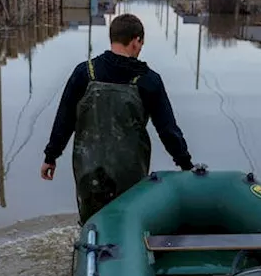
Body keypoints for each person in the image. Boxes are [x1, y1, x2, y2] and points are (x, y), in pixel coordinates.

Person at [40, 13, 194, 223]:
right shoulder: (149, 80)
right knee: (126, 223)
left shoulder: (84, 73)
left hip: (89, 171)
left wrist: (51, 156)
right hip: (130, 174)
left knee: (91, 224)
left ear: (112, 38)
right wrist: (186, 164)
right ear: (135, 41)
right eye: (141, 43)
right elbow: (167, 130)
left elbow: (64, 119)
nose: (140, 49)